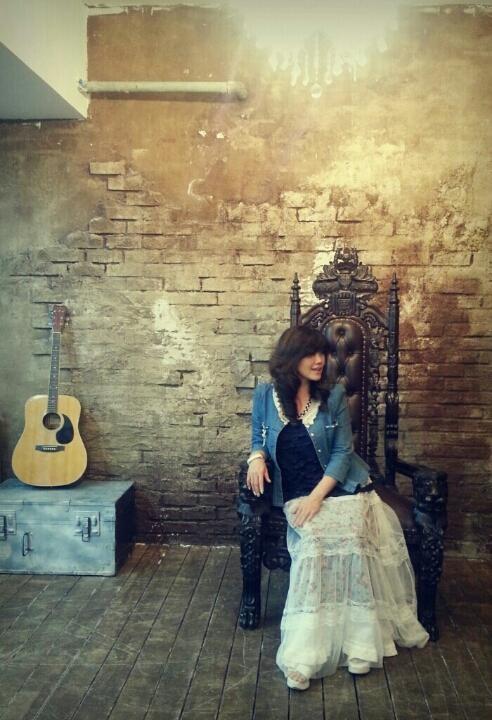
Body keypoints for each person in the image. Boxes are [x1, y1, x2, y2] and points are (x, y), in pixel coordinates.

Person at [246, 325, 429, 691]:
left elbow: (344, 453)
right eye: (310, 354)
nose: (320, 361)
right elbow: (258, 438)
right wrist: (256, 458)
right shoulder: (266, 395)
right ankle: (305, 654)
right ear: (290, 359)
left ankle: (360, 643)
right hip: (295, 494)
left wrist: (318, 497)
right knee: (314, 545)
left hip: (341, 489)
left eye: (323, 353)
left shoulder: (334, 396)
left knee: (355, 537)